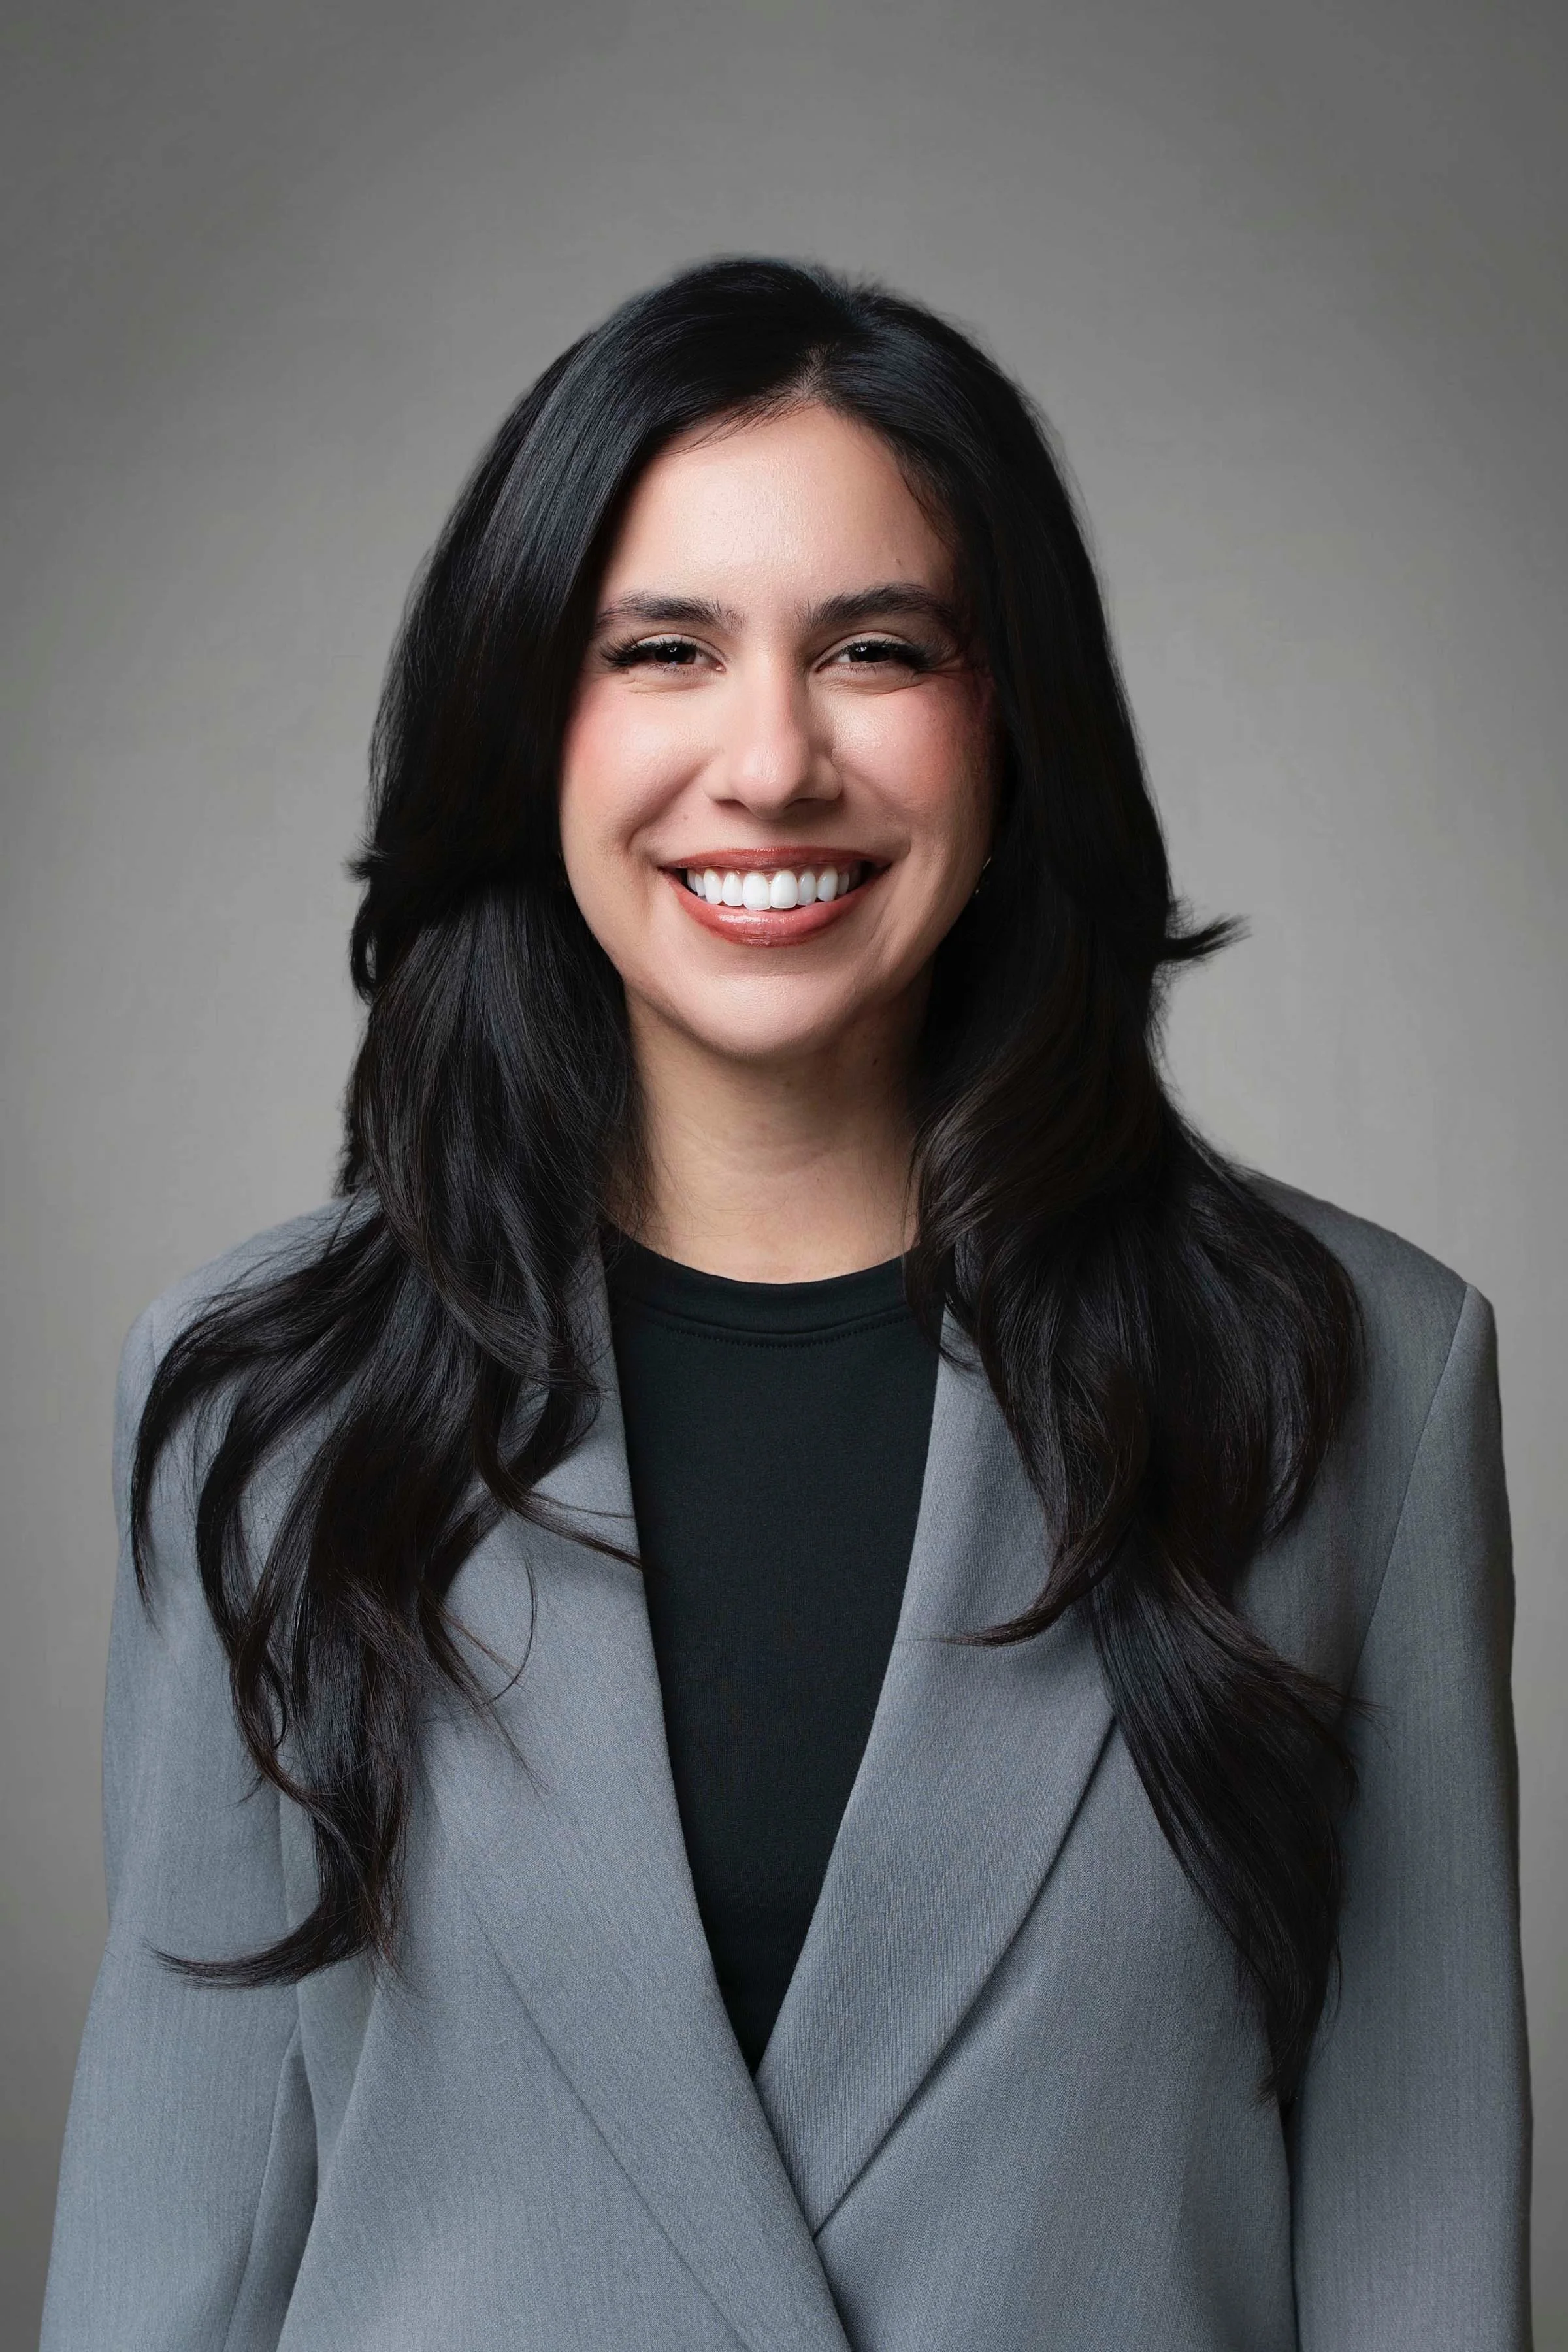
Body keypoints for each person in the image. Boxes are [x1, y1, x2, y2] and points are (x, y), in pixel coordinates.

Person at [41, 258, 1530, 2351]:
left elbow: (1416, 2238)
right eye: (662, 648)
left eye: (878, 649)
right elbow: (167, 2245)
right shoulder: (270, 1406)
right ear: (525, 719)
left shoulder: (1347, 1382)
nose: (771, 760)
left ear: (1013, 719)